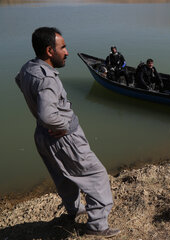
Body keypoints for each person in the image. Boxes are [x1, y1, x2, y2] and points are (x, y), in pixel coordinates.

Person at [15, 27, 120, 238]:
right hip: (63, 137)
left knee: (65, 177)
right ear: (49, 51)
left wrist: (43, 116)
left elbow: (19, 80)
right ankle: (97, 227)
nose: (67, 52)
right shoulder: (48, 79)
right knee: (96, 175)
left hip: (43, 136)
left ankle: (73, 211)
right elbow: (47, 115)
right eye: (63, 47)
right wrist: (61, 126)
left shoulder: (29, 67)